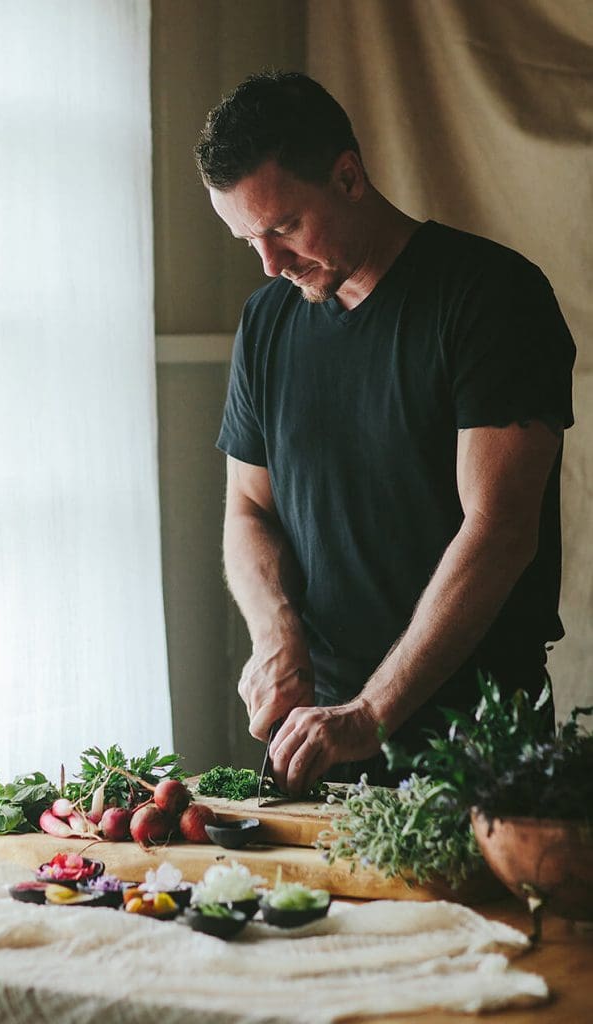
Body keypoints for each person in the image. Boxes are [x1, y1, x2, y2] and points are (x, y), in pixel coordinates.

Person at [194, 70, 576, 796]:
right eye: (248, 239)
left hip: (477, 738)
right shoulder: (267, 321)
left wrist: (372, 712)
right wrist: (275, 631)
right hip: (317, 733)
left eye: (282, 227)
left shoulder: (492, 297)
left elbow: (499, 529)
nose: (271, 264)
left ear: (348, 176)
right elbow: (248, 508)